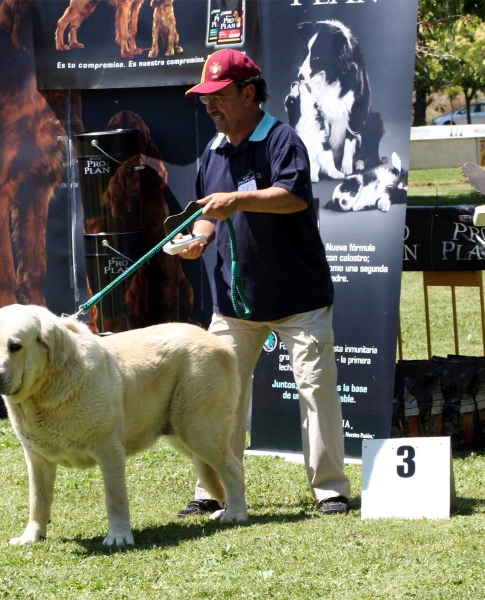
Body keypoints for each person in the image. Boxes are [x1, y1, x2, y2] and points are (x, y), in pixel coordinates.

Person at [176, 48, 351, 517]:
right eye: (205, 98)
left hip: (300, 298)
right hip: (235, 302)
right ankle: (211, 491)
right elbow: (208, 215)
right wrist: (197, 239)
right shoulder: (212, 152)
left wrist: (236, 199)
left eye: (219, 97)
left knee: (317, 390)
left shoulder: (282, 139)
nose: (210, 106)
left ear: (248, 93)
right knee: (216, 398)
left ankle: (331, 488)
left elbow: (292, 198)